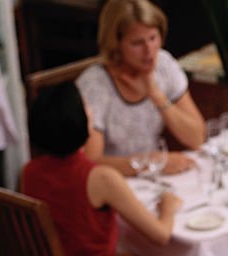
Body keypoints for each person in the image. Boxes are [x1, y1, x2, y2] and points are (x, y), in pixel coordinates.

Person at [21, 79, 181, 256]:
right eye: (86, 108)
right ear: (78, 121)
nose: (90, 112)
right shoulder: (99, 177)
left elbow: (67, 231)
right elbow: (161, 235)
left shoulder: (29, 173)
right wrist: (168, 207)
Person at [77, 0, 205, 177]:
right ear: (116, 44)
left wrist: (156, 95)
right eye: (137, 43)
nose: (149, 50)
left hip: (151, 179)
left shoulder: (164, 64)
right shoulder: (95, 85)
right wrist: (152, 163)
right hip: (112, 185)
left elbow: (196, 138)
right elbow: (91, 161)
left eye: (153, 38)